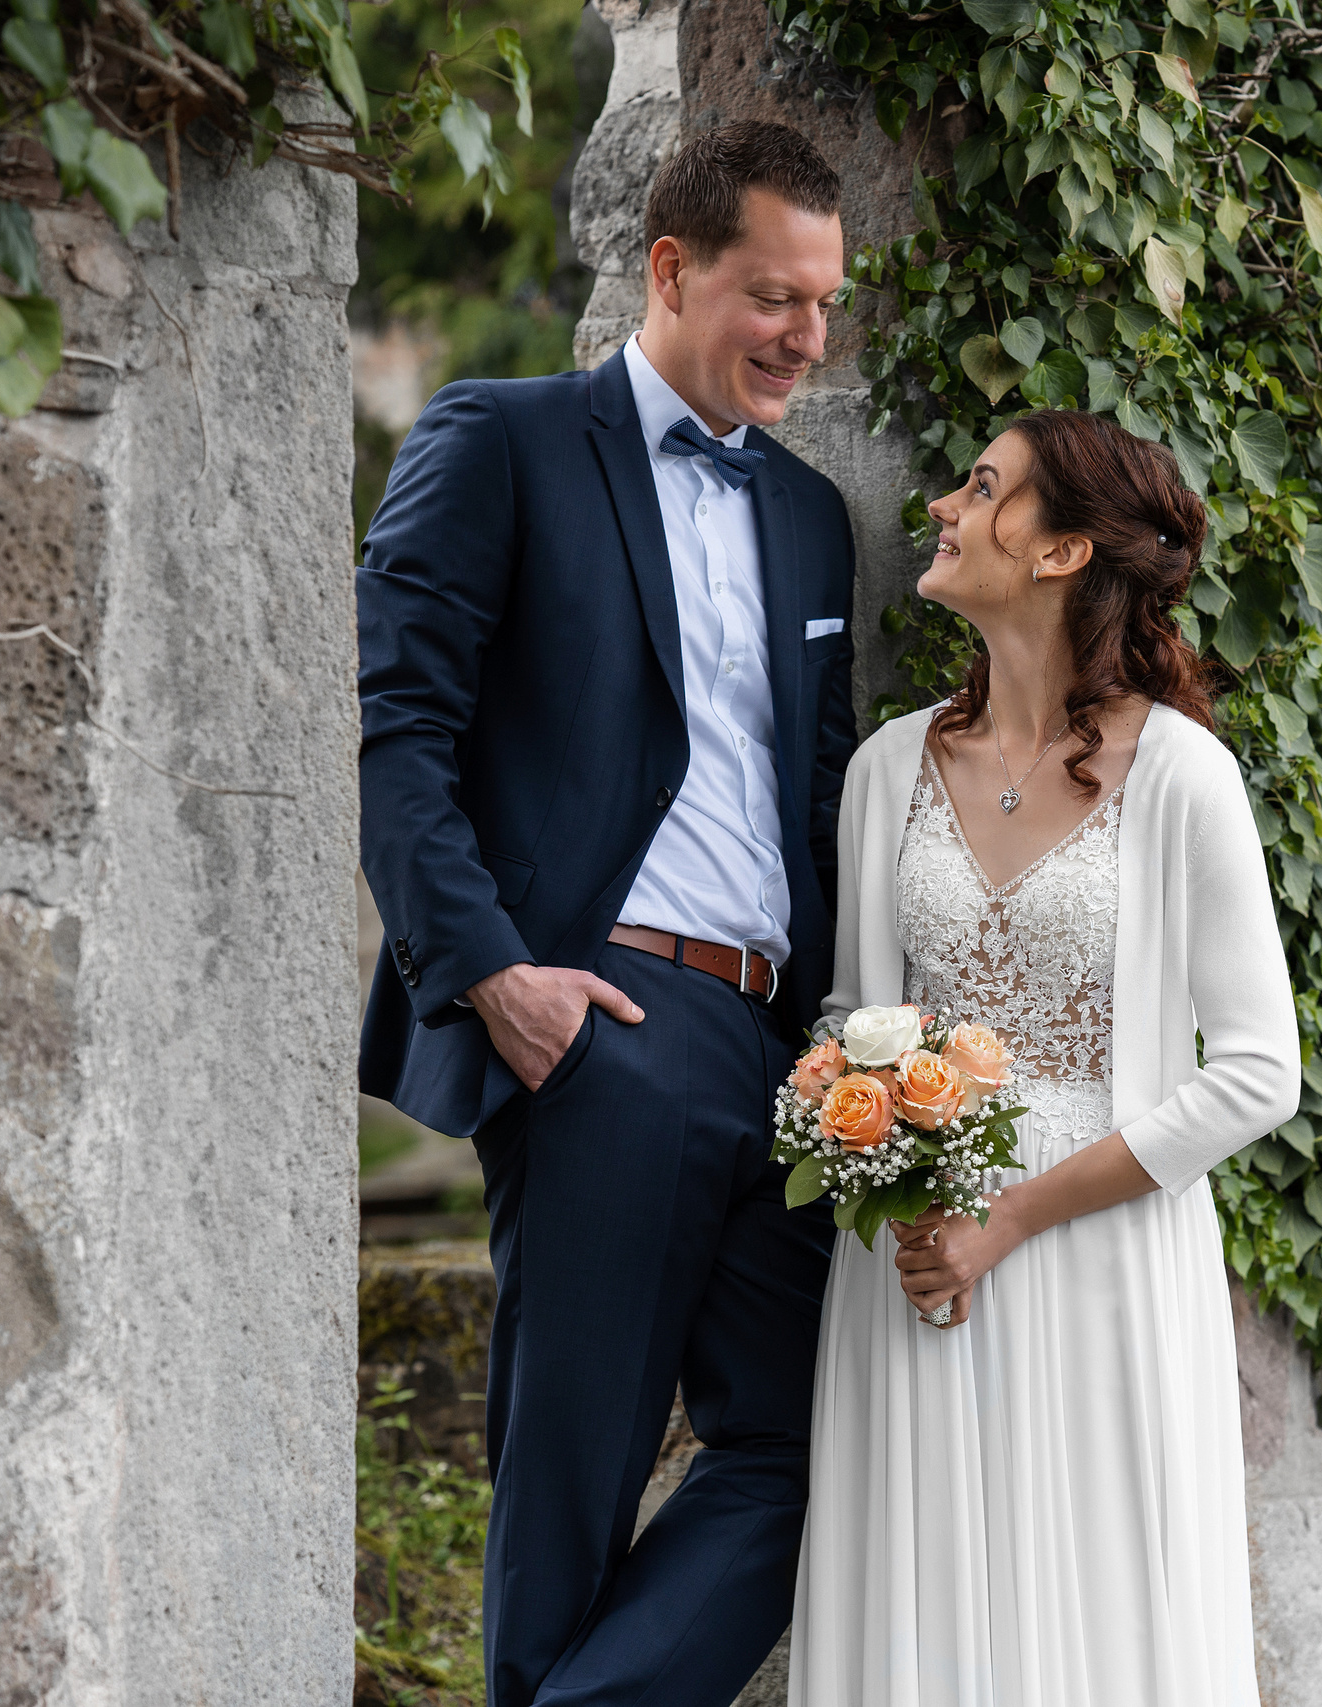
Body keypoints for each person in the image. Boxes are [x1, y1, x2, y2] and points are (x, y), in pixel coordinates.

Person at [355, 121, 858, 1707]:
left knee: (806, 1445)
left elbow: (817, 784)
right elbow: (398, 733)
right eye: (774, 297)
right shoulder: (500, 438)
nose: (805, 337)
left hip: (773, 1052)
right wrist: (500, 979)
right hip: (602, 1023)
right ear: (670, 269)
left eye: (824, 304)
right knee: (567, 1490)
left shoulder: (811, 514)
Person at [790, 410, 1304, 1705]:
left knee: (1105, 1602)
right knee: (930, 1604)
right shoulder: (887, 768)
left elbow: (1256, 1072)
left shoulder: (1184, 775)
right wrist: (872, 1150)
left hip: (1100, 1253)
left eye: (983, 490)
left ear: (1066, 550)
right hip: (920, 1254)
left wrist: (1006, 1220)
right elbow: (855, 1016)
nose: (945, 513)